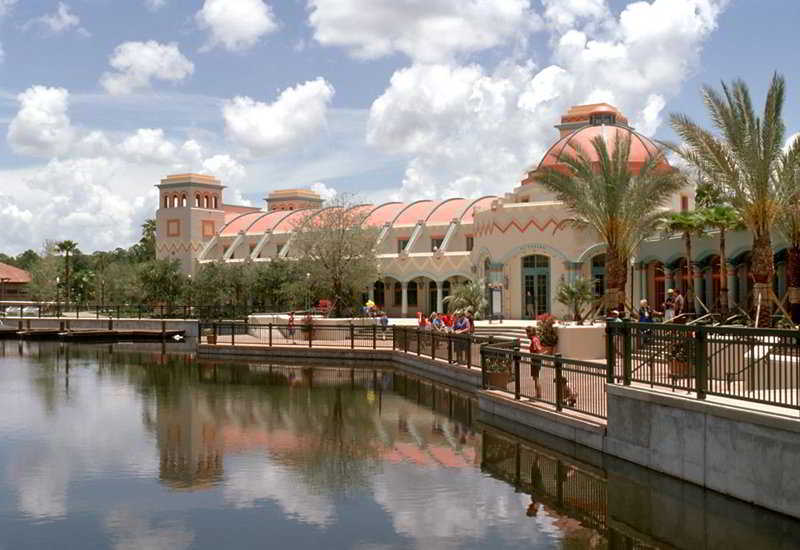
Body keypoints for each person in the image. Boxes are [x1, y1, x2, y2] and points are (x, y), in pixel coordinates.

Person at [525, 326, 543, 398]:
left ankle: (538, 395)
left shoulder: (534, 339)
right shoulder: (536, 338)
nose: (526, 335)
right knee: (536, 378)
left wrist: (535, 352)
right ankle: (538, 394)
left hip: (535, 360)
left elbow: (537, 348)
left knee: (536, 378)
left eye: (527, 333)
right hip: (536, 360)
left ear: (530, 333)